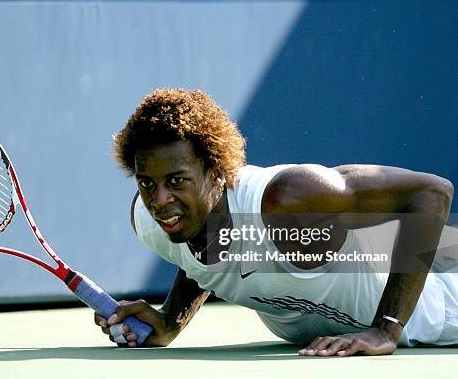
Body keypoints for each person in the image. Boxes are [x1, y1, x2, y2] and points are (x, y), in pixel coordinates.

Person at [94, 88, 456, 356]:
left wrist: (385, 330)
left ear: (216, 171)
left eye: (177, 181)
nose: (159, 200)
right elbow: (200, 256)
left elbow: (431, 193)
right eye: (146, 183)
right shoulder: (152, 221)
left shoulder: (288, 202)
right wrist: (170, 320)